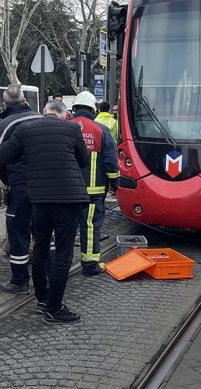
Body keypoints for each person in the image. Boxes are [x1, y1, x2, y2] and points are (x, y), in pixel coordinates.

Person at [0, 100, 89, 324]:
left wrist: (26, 164)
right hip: (68, 198)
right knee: (64, 255)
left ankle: (43, 300)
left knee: (40, 249)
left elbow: (1, 157)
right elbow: (83, 161)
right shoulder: (72, 128)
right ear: (64, 115)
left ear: (44, 112)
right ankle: (54, 308)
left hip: (38, 199)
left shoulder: (25, 130)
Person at [0, 85, 42, 294]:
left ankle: (19, 281)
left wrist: (5, 180)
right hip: (44, 186)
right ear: (24, 100)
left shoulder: (7, 123)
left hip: (20, 186)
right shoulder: (40, 118)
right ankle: (49, 271)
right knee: (44, 230)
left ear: (5, 104)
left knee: (18, 231)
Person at [72, 91, 119, 276]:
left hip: (66, 191)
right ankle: (90, 265)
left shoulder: (66, 127)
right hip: (93, 192)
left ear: (74, 108)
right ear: (94, 109)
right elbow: (110, 161)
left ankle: (60, 263)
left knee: (65, 226)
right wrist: (115, 184)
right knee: (90, 226)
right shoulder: (100, 130)